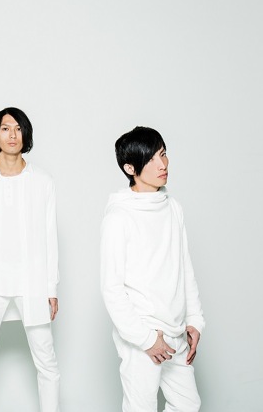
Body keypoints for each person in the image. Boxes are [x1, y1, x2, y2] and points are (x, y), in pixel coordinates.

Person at [101, 126, 205, 412]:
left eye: (163, 154)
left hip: (176, 331)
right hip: (143, 336)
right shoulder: (119, 217)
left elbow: (184, 268)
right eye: (152, 159)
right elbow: (111, 289)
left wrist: (194, 320)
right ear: (130, 168)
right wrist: (146, 339)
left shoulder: (173, 208)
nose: (163, 164)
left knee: (188, 404)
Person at [0, 107, 61, 412]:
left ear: (25, 134)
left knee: (47, 361)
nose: (12, 135)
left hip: (32, 282)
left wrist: (51, 287)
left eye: (18, 128)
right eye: (6, 128)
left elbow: (50, 237)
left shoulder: (43, 181)